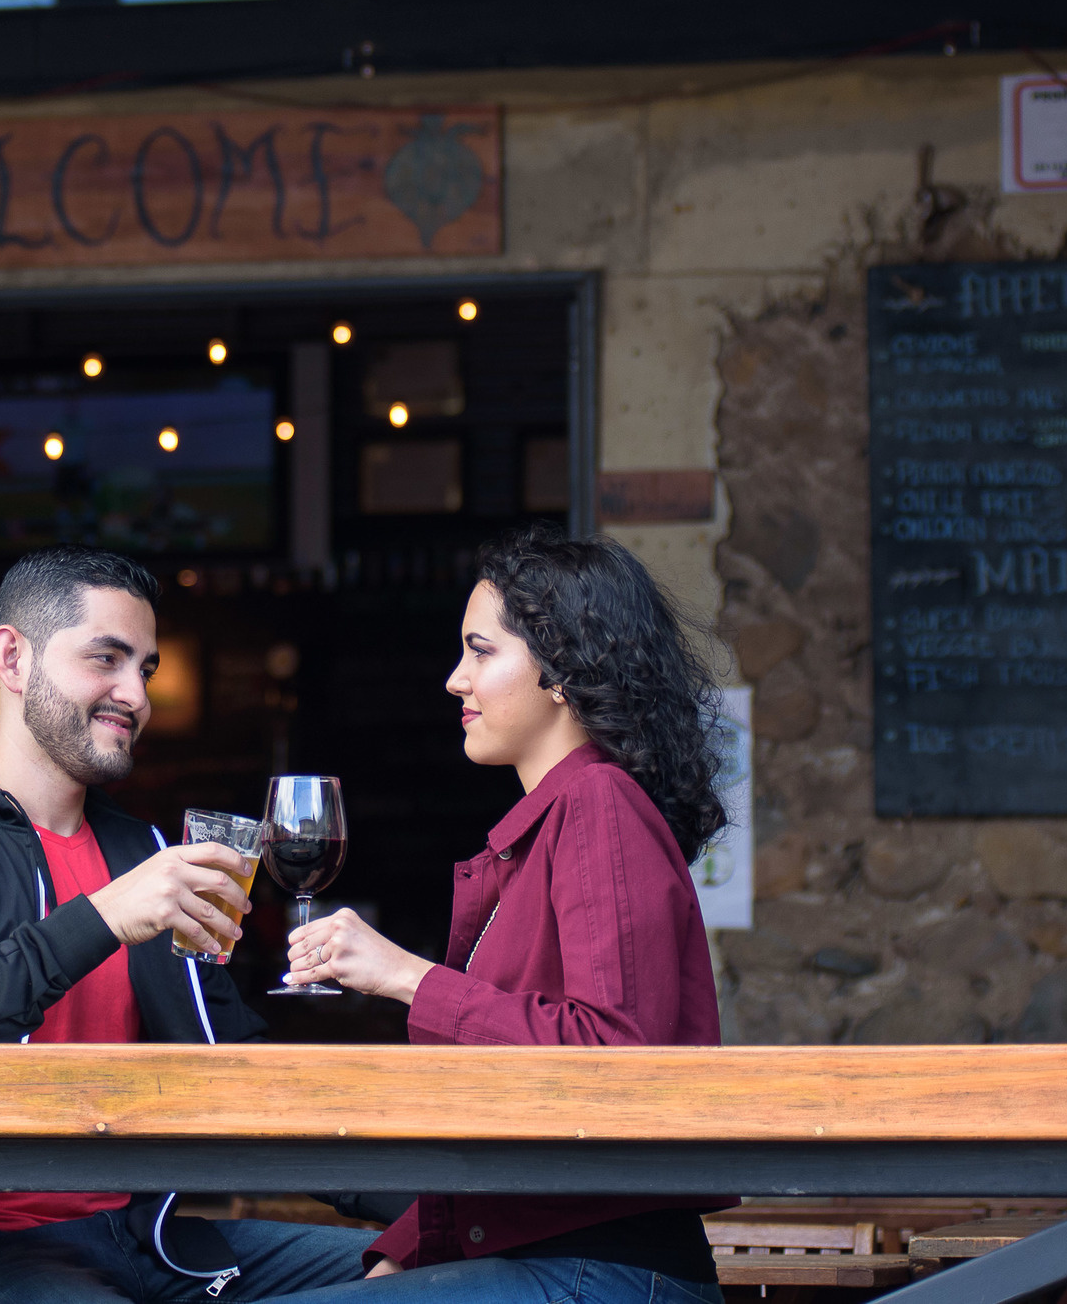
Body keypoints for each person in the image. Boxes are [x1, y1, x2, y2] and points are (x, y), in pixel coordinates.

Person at [0, 546, 378, 1304]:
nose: (136, 694)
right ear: (13, 657)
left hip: (145, 1240)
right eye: (106, 659)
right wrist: (102, 917)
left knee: (432, 1272)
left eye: (145, 667)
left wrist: (427, 1218)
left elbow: (237, 1071)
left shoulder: (143, 851)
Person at [276, 526, 733, 1304]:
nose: (456, 679)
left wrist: (406, 976)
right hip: (550, 1258)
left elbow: (615, 1054)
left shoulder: (597, 802)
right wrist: (409, 1248)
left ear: (562, 670)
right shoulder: (558, 822)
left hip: (605, 1272)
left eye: (481, 651)